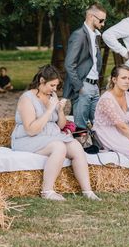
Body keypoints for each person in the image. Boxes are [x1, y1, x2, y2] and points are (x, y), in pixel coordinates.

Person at [10, 65, 100, 201]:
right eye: (52, 85)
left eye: (56, 86)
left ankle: (87, 191)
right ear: (41, 81)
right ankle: (47, 191)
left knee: (76, 145)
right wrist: (49, 110)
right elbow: (31, 129)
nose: (55, 89)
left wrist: (59, 110)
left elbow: (61, 125)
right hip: (28, 138)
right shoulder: (27, 99)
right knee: (59, 146)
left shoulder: (51, 96)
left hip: (51, 136)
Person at [63, 3, 106, 131]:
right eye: (101, 20)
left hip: (95, 86)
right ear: (92, 17)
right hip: (84, 85)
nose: (103, 24)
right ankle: (82, 150)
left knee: (97, 123)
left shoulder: (95, 36)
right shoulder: (79, 35)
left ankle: (94, 147)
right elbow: (69, 64)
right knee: (81, 126)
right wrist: (79, 87)